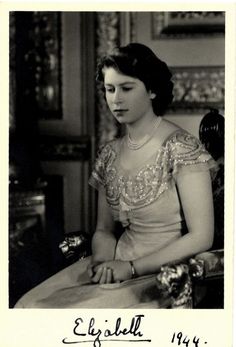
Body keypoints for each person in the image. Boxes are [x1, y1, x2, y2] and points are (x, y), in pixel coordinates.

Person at [15, 43, 218, 308]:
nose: (116, 100)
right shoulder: (109, 153)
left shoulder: (181, 147)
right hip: (116, 264)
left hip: (165, 273)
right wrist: (102, 264)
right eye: (110, 90)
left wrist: (131, 268)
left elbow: (202, 236)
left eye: (126, 88)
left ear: (152, 90)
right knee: (29, 306)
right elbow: (103, 230)